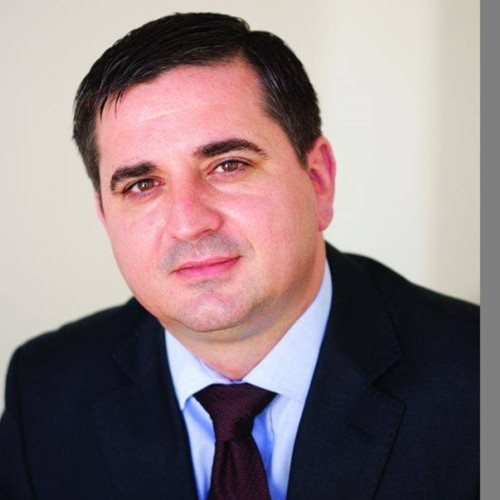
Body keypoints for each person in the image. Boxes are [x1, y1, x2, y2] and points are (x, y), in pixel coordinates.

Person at [0, 12, 478, 500]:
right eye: (142, 185)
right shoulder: (43, 391)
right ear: (105, 215)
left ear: (318, 180)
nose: (189, 222)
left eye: (229, 165)